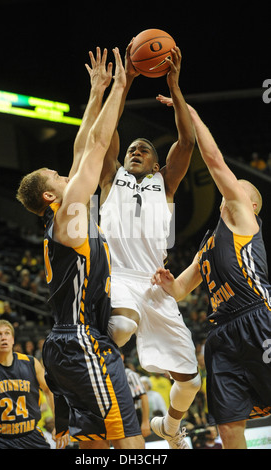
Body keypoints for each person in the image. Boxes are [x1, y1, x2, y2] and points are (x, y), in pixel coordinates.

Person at [16, 47, 144, 450]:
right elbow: (96, 146)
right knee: (130, 442)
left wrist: (97, 90)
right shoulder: (68, 216)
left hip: (66, 345)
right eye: (56, 175)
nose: (65, 171)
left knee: (92, 444)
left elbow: (81, 146)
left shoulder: (67, 215)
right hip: (81, 341)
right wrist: (120, 89)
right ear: (51, 196)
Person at [97, 40, 201, 449]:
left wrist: (175, 85)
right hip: (118, 275)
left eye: (144, 150)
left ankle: (169, 428)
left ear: (157, 165)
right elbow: (107, 133)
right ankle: (90, 390)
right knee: (120, 326)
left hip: (155, 284)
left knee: (191, 383)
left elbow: (187, 142)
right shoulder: (111, 177)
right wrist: (123, 84)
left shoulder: (166, 183)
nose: (136, 151)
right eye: (132, 150)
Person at [152, 98, 271, 449]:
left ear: (249, 205)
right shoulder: (208, 244)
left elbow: (215, 161)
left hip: (256, 317)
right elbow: (180, 291)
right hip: (220, 334)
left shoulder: (244, 219)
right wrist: (166, 283)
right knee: (228, 425)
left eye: (238, 189)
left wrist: (191, 113)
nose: (231, 190)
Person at [0, 319, 54, 449]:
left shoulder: (31, 363)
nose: (3, 337)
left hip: (31, 436)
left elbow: (50, 391)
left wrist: (59, 425)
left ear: (13, 339)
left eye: (7, 333)